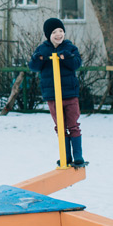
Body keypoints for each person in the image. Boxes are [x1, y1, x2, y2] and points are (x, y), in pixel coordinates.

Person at [29, 17, 86, 167]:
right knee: (60, 126)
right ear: (49, 35)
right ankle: (65, 155)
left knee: (73, 124)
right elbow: (34, 66)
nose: (58, 34)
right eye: (54, 32)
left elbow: (76, 64)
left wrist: (67, 57)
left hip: (70, 93)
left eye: (61, 31)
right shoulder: (43, 49)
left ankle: (78, 156)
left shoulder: (69, 48)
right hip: (53, 95)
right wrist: (37, 59)